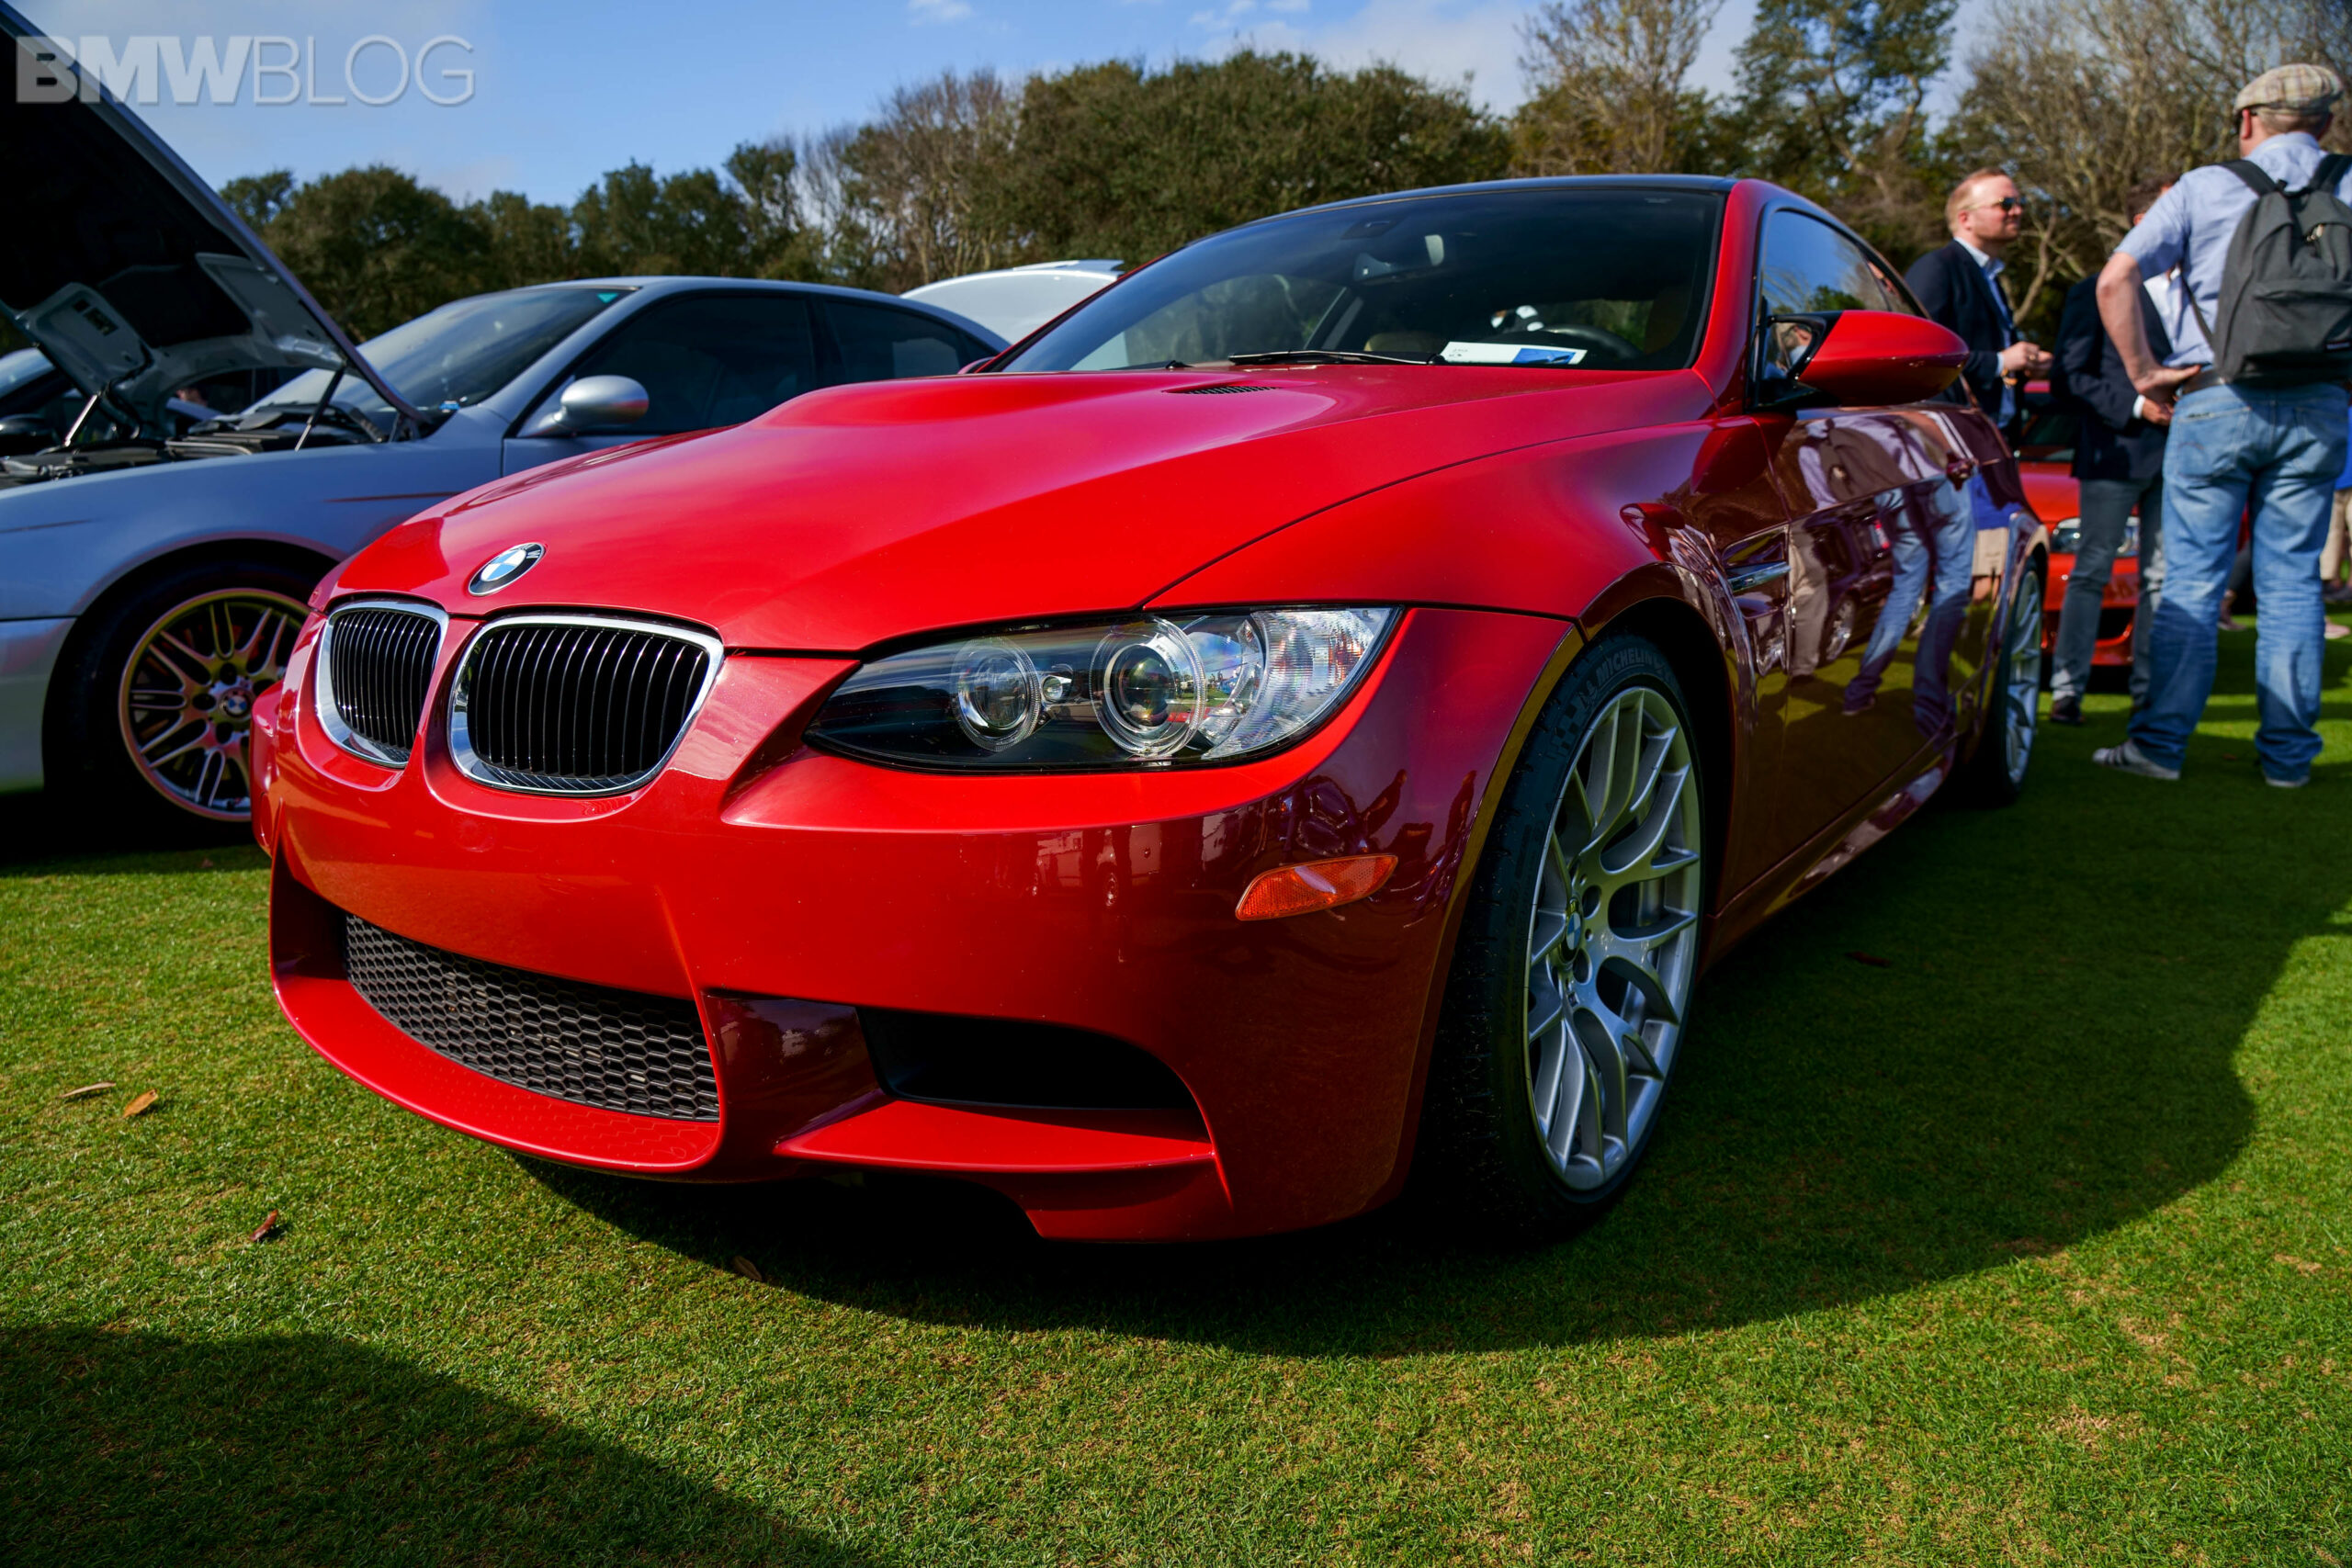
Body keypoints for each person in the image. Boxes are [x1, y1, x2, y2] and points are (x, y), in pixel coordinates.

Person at [2092, 63, 2352, 787]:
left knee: (2192, 582)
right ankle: (2289, 761)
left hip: (2216, 396)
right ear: (2327, 123)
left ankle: (2159, 748)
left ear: (2246, 121)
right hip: (2319, 402)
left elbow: (2115, 279)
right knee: (2294, 584)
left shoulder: (2205, 187)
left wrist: (2145, 373)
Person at [2047, 175, 2179, 725]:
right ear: (2143, 222)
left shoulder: (2199, 290)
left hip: (2181, 454)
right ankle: (2067, 690)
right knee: (2092, 570)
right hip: (2115, 452)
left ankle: (2150, 694)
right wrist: (2137, 405)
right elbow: (2069, 378)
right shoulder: (2095, 289)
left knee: (2162, 576)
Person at [1906, 170, 2052, 430]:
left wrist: (2025, 365)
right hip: (1954, 434)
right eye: (2005, 204)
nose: (2017, 211)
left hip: (1993, 434)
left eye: (2020, 203)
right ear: (1966, 218)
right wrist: (2000, 362)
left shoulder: (1990, 275)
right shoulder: (1938, 267)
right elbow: (1918, 353)